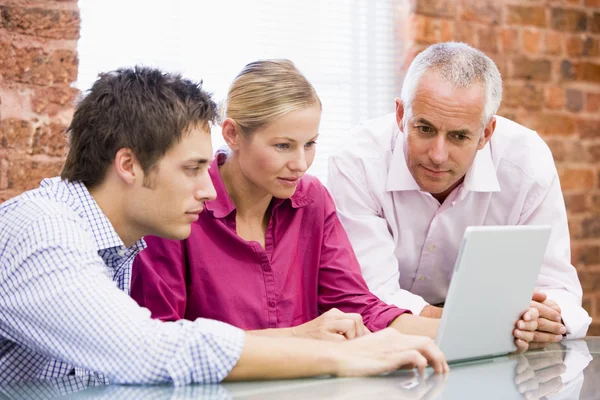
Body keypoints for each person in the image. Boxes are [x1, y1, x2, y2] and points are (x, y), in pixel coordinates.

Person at [0, 66, 448, 384]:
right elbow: (150, 350)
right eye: (193, 169)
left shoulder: (116, 244)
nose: (210, 189)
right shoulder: (45, 233)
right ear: (129, 165)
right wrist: (334, 355)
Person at [130, 60, 440, 341]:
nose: (301, 163)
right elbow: (161, 339)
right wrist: (299, 337)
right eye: (283, 145)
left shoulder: (311, 200)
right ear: (232, 134)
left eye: (309, 144)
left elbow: (357, 306)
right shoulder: (179, 207)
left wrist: (458, 331)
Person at [328, 42, 591, 352]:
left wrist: (543, 320)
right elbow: (369, 295)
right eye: (424, 128)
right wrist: (489, 325)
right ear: (400, 115)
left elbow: (557, 287)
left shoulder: (527, 163)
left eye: (459, 136)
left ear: (486, 134)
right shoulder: (357, 160)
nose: (438, 156)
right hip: (382, 346)